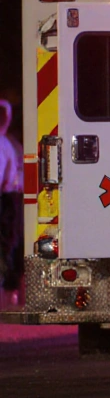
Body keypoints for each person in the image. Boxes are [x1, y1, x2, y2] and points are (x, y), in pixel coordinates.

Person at [0, 99, 23, 308]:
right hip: (9, 199)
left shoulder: (7, 142)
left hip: (9, 200)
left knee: (8, 245)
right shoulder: (7, 143)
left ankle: (9, 292)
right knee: (8, 245)